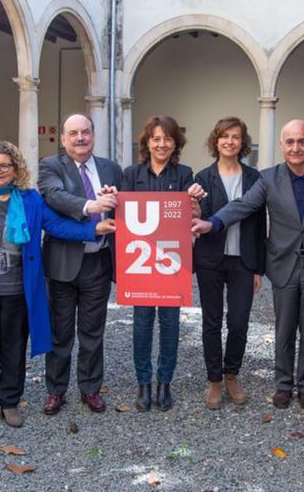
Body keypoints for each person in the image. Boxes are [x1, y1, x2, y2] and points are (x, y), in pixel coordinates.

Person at [0, 141, 115, 428]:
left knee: (14, 346)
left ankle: (10, 401)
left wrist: (92, 229)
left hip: (18, 289)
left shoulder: (29, 199)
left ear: (15, 169)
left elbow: (56, 225)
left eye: (5, 165)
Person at [192, 119, 304, 412]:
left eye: (302, 141)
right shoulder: (268, 178)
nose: (296, 148)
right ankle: (284, 386)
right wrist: (211, 223)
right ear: (282, 146)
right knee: (284, 329)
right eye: (290, 142)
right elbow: (243, 205)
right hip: (284, 264)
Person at [37, 113, 123, 415]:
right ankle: (56, 391)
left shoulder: (111, 168)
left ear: (93, 135)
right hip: (63, 261)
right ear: (63, 139)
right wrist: (91, 206)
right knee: (60, 333)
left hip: (98, 261)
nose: (80, 138)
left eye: (85, 132)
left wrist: (115, 199)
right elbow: (55, 196)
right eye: (73, 133)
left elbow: (124, 207)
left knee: (92, 332)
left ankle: (90, 389)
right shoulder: (50, 166)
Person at [122, 115, 204, 411]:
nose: (161, 144)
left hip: (172, 263)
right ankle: (143, 384)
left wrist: (195, 203)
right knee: (142, 325)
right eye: (156, 138)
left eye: (167, 139)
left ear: (175, 144)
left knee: (170, 325)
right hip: (141, 265)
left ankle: (164, 383)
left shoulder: (184, 174)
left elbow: (191, 214)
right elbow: (122, 217)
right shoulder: (131, 174)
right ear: (147, 142)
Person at [193, 116, 266, 410]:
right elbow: (200, 216)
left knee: (238, 321)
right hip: (211, 257)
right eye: (224, 136)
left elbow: (260, 223)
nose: (230, 141)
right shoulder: (202, 178)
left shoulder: (255, 178)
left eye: (236, 136)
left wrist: (259, 268)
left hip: (244, 259)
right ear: (216, 140)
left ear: (243, 142)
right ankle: (214, 379)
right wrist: (194, 206)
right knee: (211, 321)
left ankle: (232, 374)